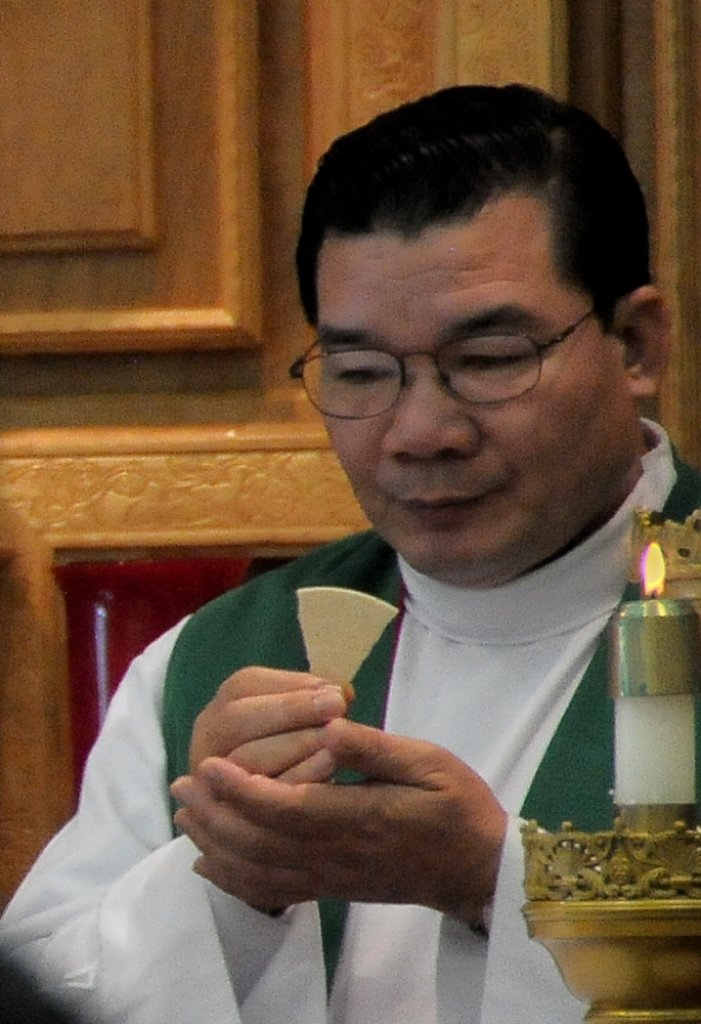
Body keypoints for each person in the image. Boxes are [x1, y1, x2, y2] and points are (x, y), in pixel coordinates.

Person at [0, 83, 697, 1024]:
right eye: (362, 372)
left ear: (636, 345)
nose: (419, 433)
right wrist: (227, 886)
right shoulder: (209, 662)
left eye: (489, 359)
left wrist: (495, 885)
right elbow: (48, 993)